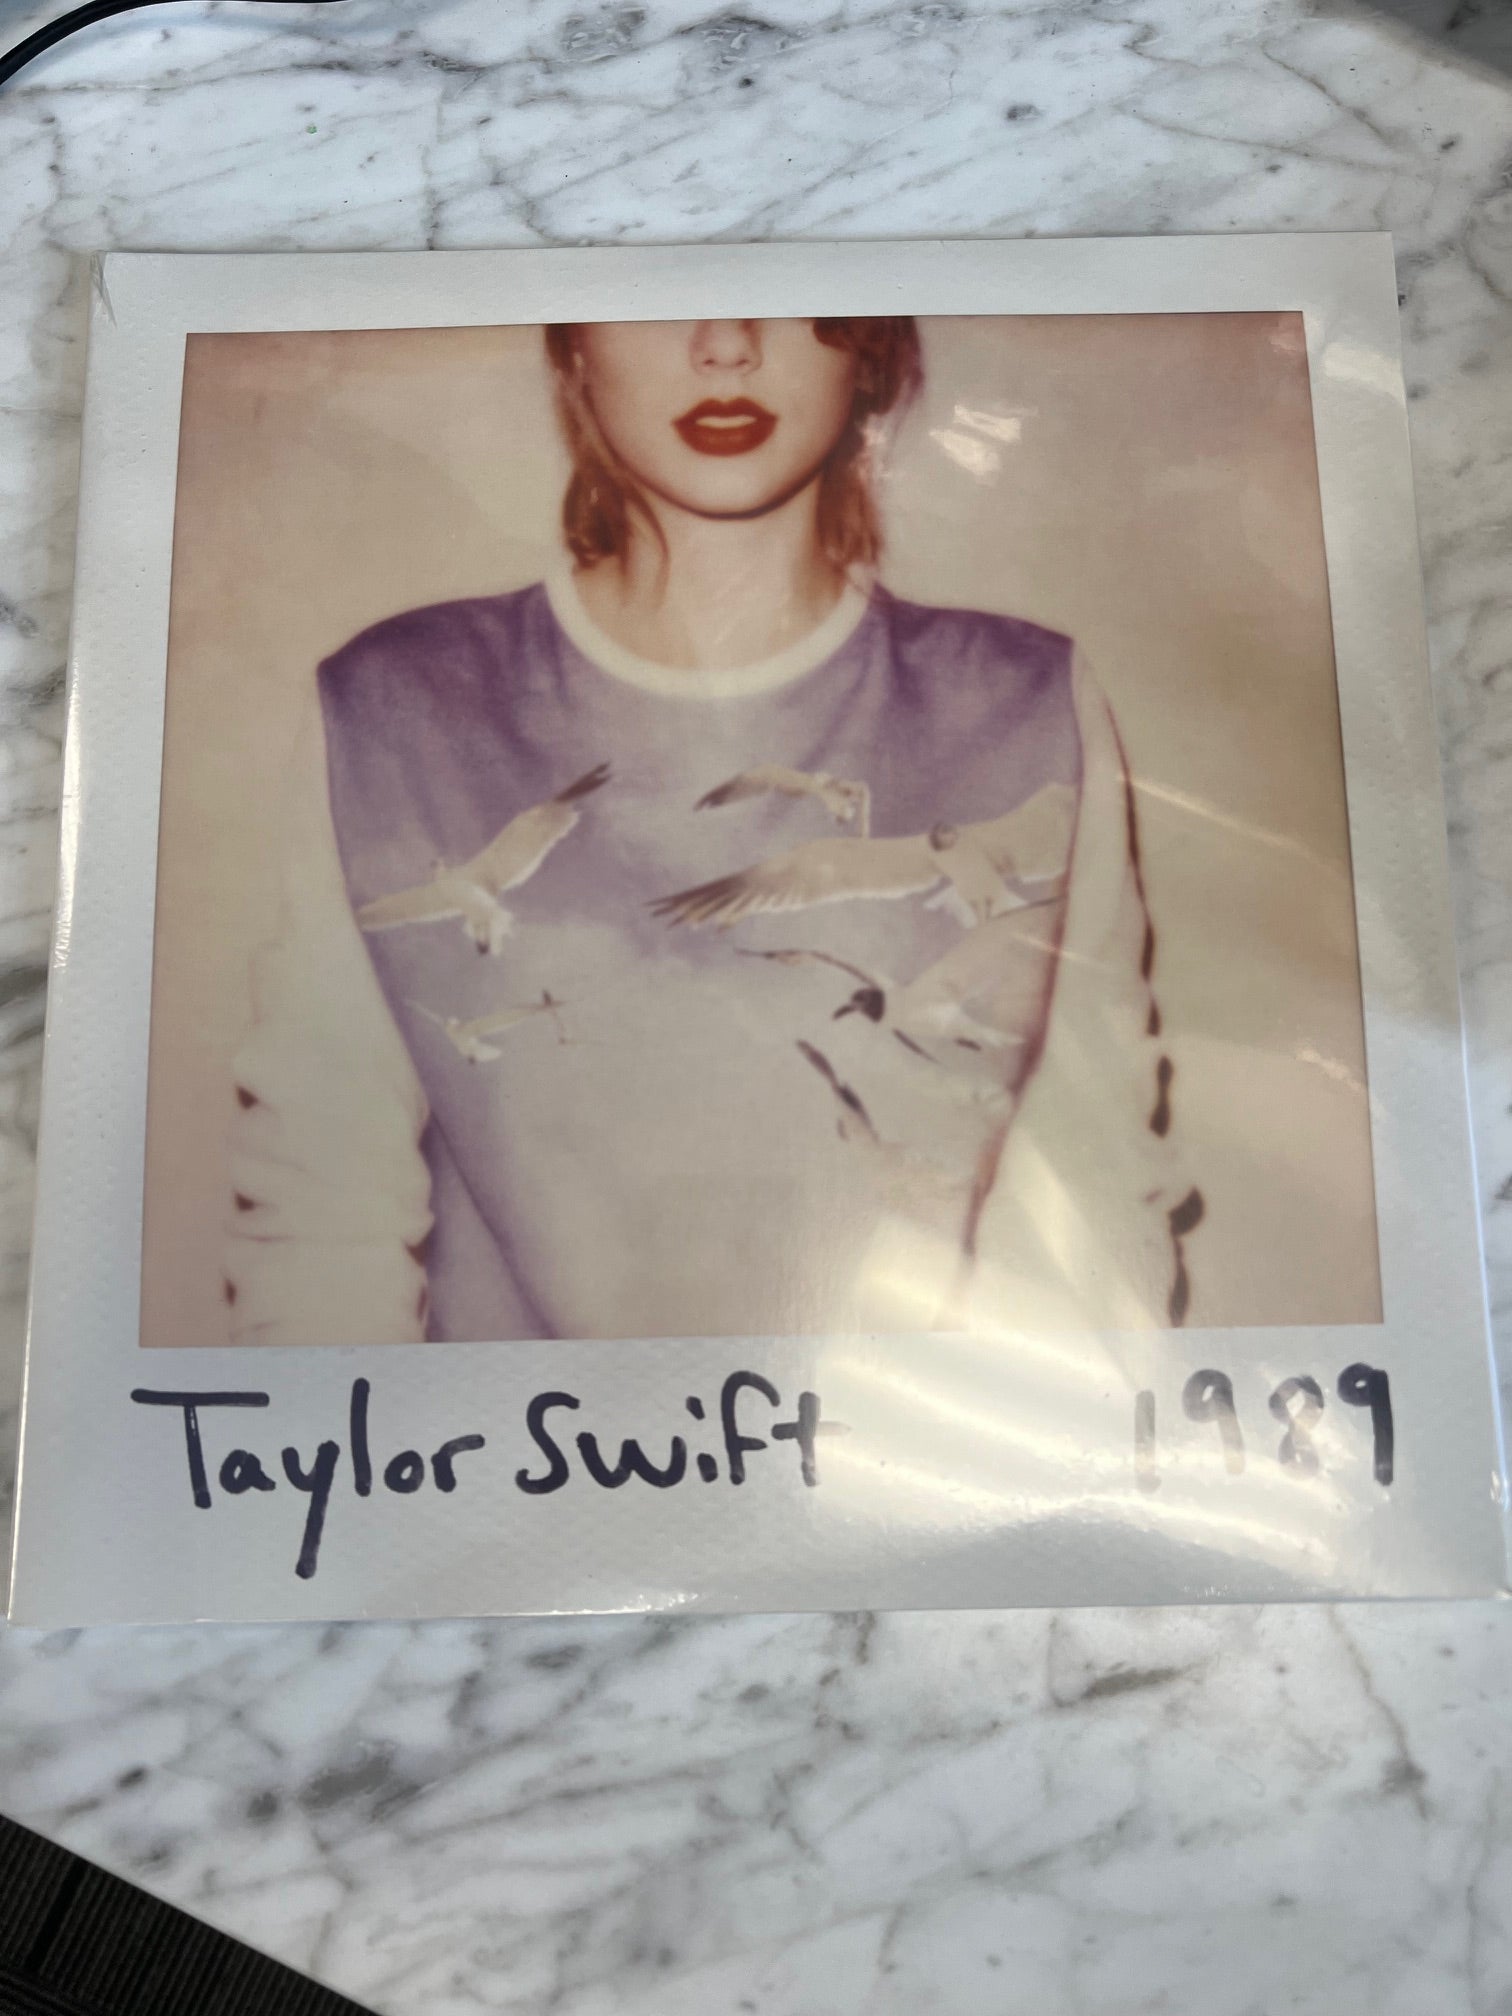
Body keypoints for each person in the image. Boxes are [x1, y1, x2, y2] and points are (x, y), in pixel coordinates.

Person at [225, 317, 1201, 1346]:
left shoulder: (1022, 704)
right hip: (516, 1446)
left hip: (893, 1438)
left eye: (783, 286)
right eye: (659, 286)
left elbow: (1092, 1208)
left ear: (867, 346)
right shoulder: (395, 707)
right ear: (573, 345)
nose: (726, 343)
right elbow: (319, 1219)